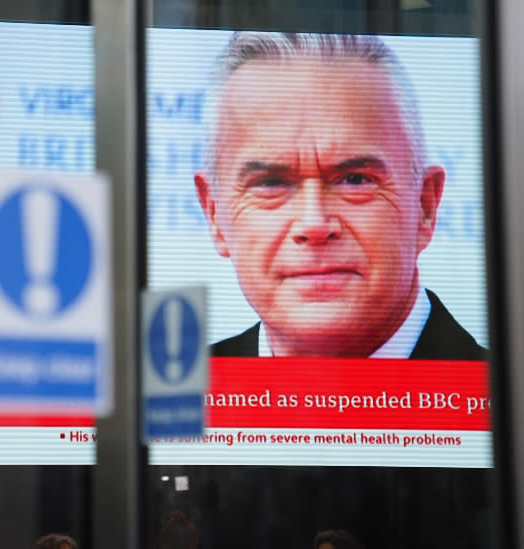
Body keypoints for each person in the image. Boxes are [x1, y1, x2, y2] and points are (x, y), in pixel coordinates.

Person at [194, 32, 486, 359]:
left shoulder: (521, 397)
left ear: (424, 205)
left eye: (354, 179)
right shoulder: (175, 401)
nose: (315, 225)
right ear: (215, 214)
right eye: (271, 183)